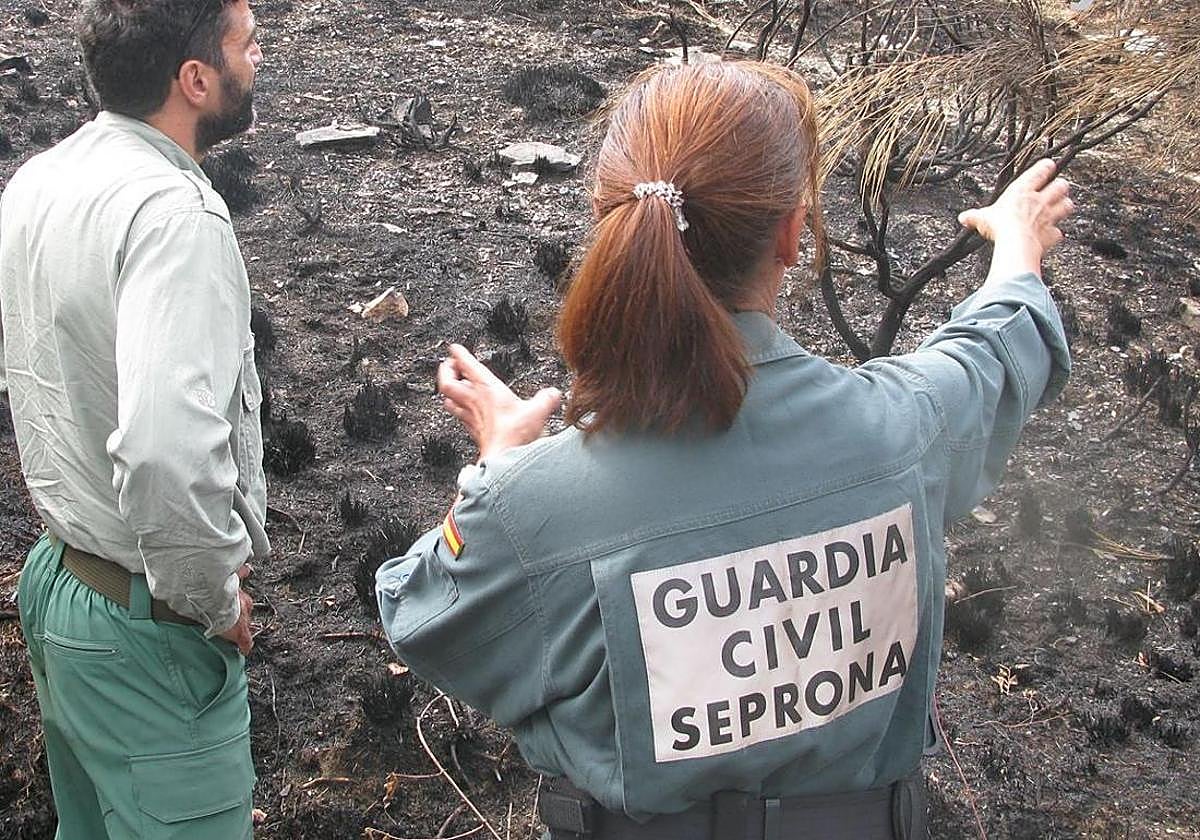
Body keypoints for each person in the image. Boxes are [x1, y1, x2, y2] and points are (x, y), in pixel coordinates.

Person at [377, 61, 1071, 840]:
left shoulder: (534, 508)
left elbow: (421, 614)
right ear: (792, 233)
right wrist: (1018, 244)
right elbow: (992, 353)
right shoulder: (907, 430)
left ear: (606, 218)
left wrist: (500, 465)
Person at [1, 1, 267, 836]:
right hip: (147, 633)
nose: (259, 58)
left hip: (61, 583)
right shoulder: (175, 218)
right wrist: (211, 600)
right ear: (196, 80)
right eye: (246, 44)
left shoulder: (40, 179)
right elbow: (163, 455)